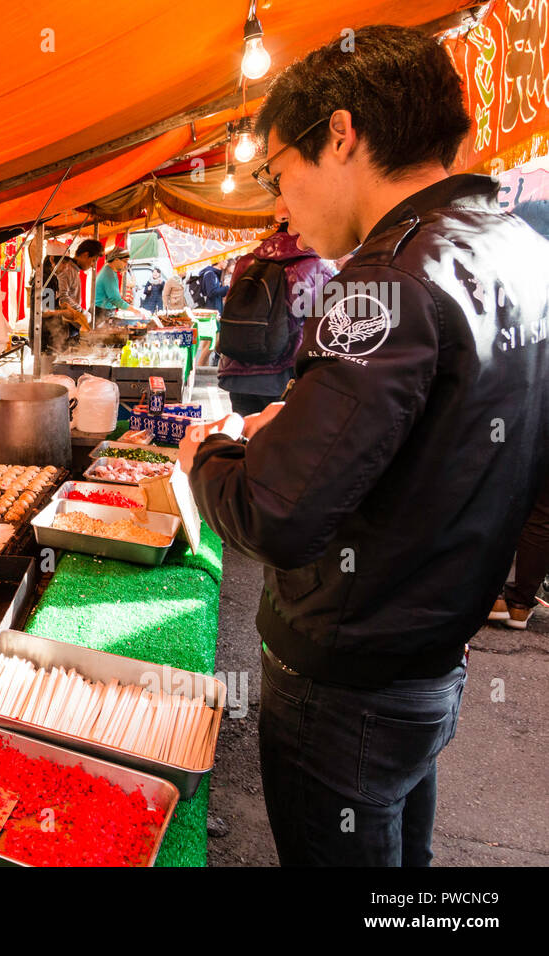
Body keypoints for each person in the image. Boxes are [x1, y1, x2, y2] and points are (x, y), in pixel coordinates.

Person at [178, 24, 549, 867]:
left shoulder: (389, 278)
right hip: (433, 658)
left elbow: (276, 513)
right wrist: (310, 429)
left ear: (340, 134)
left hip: (346, 681)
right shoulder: (524, 253)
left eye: (278, 173)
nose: (280, 204)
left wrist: (207, 457)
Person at [489, 200, 549, 630]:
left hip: (516, 408)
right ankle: (521, 604)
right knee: (543, 512)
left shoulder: (515, 278)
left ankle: (490, 595)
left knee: (500, 498)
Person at [218, 223, 335, 416]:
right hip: (282, 377)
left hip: (238, 371)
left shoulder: (245, 262)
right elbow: (326, 327)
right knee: (279, 442)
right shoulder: (317, 268)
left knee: (242, 437)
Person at [94, 248, 133, 319]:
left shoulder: (110, 271)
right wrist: (136, 310)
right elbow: (115, 300)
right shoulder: (108, 274)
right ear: (116, 260)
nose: (126, 264)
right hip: (101, 313)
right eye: (125, 261)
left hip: (104, 311)